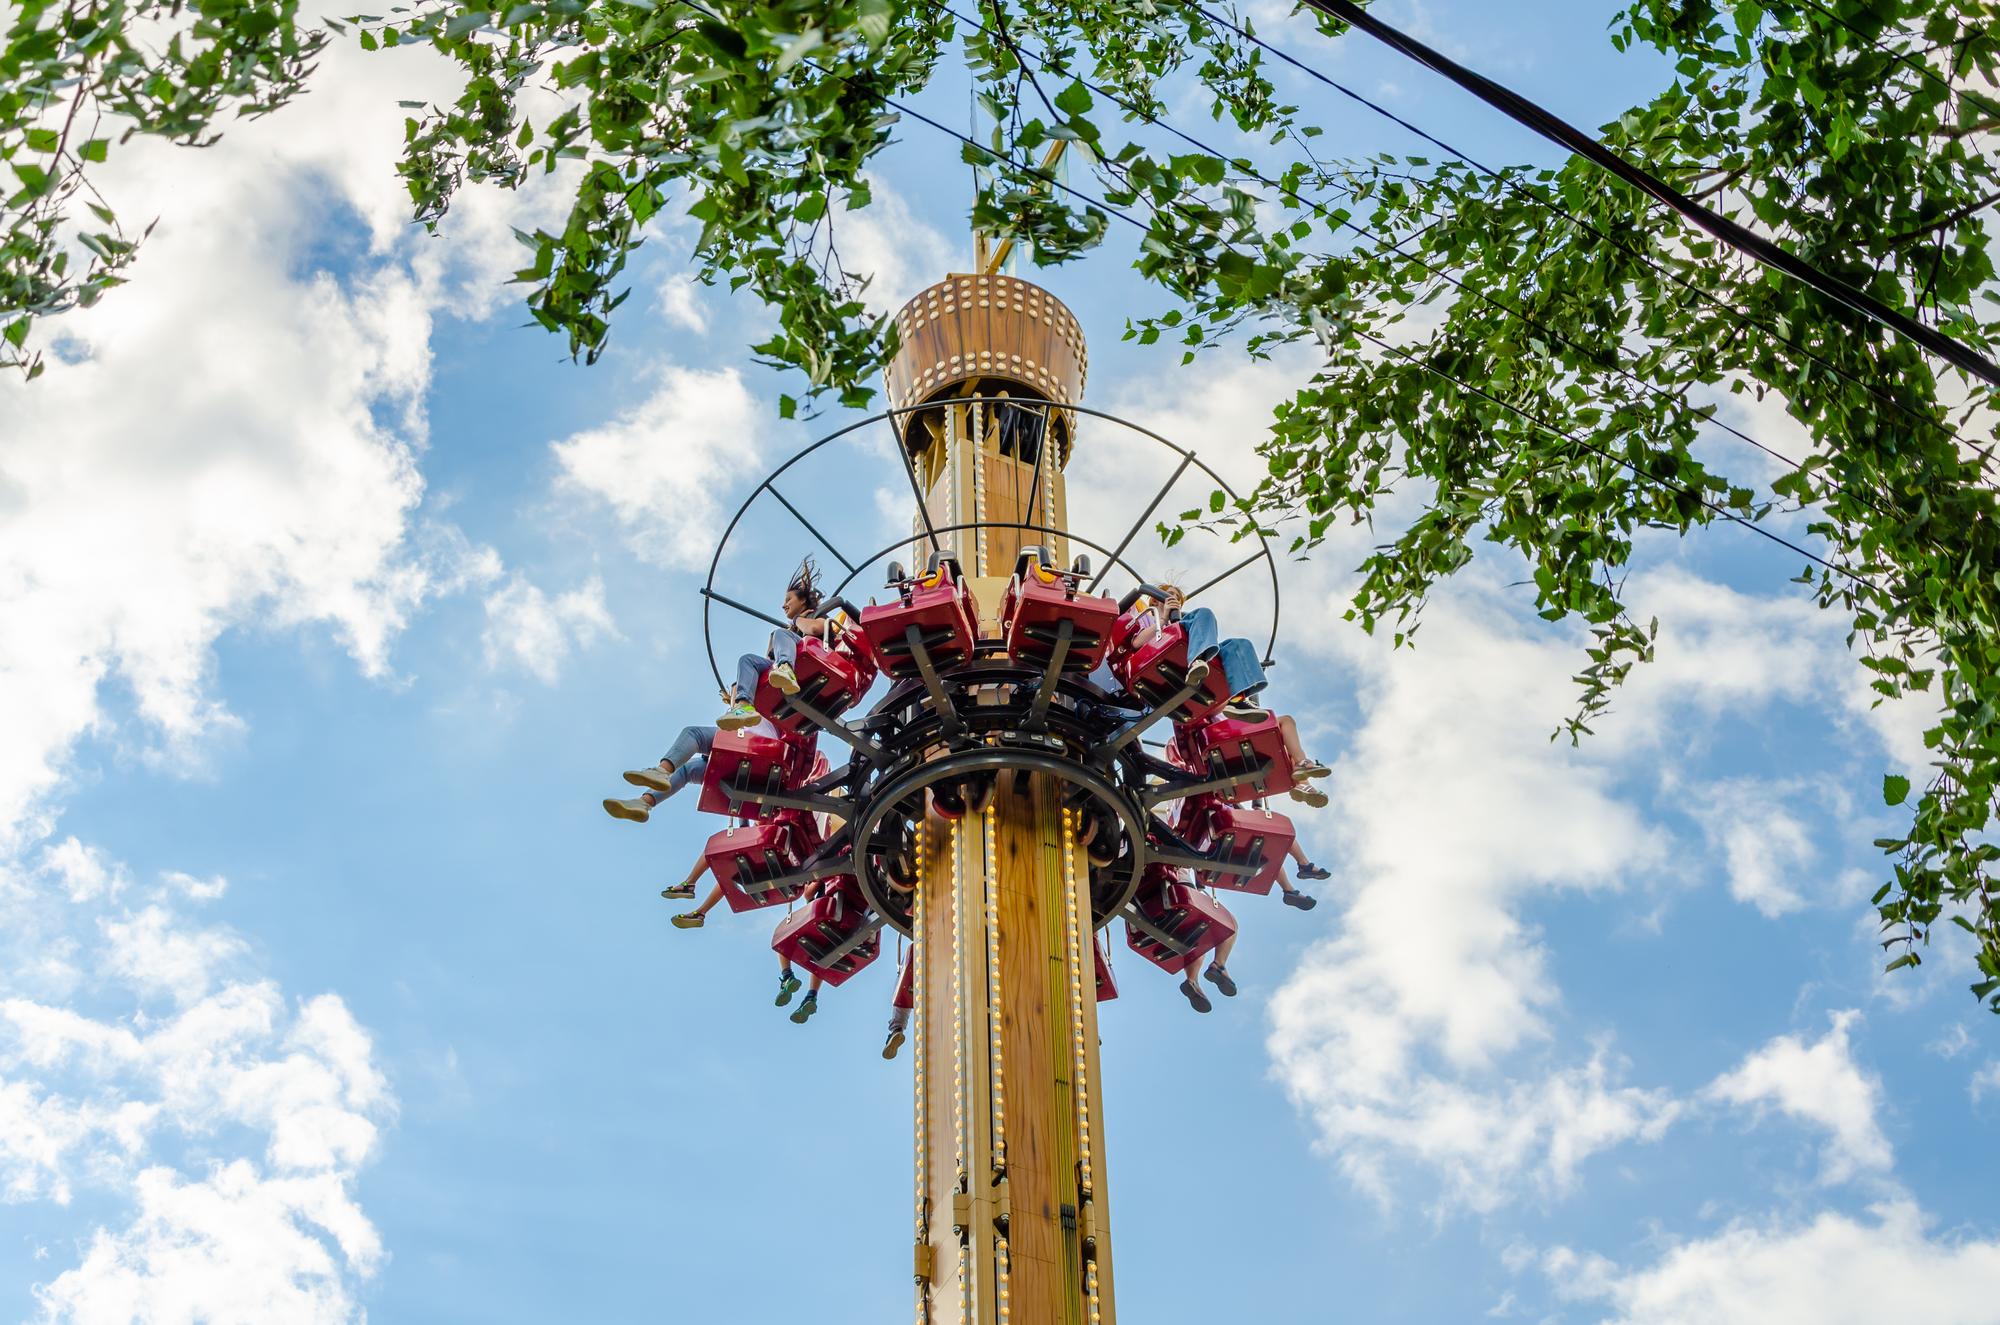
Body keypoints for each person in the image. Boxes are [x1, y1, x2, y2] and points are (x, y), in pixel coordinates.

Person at [717, 557, 839, 731]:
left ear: (802, 600)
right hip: (781, 673)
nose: (784, 605)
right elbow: (766, 662)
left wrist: (798, 620)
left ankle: (786, 669)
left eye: (789, 599)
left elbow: (815, 629)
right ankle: (743, 706)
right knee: (748, 660)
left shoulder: (813, 617)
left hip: (817, 663)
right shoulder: (782, 636)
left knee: (781, 633)